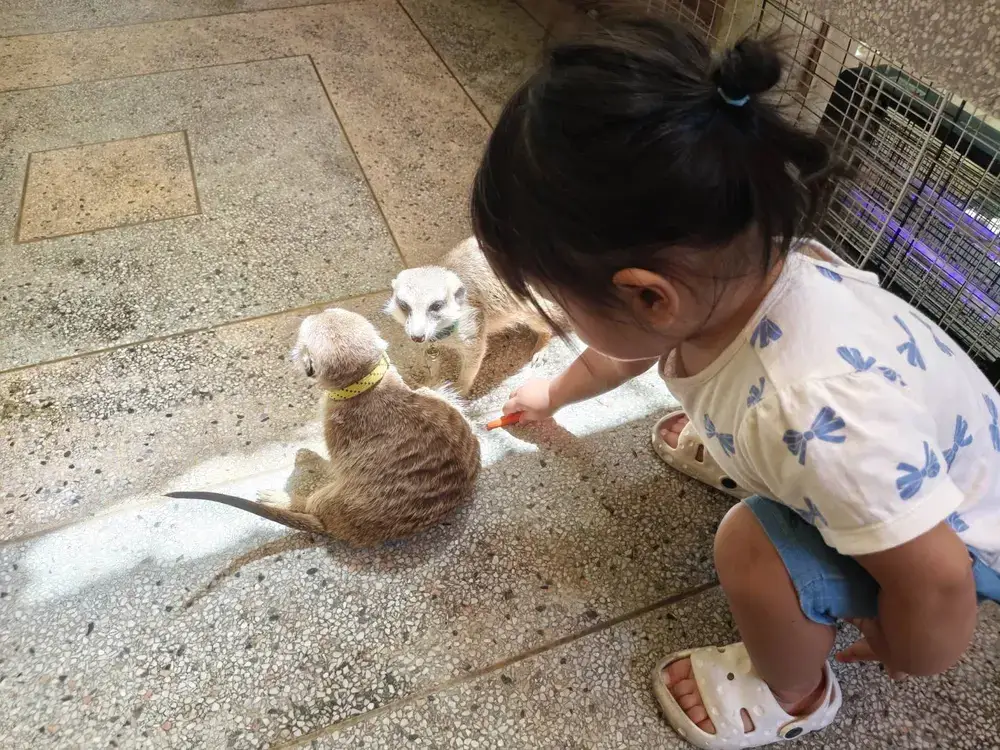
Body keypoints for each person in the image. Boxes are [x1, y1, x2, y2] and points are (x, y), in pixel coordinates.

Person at [470, 10, 1000, 750]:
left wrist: (911, 649)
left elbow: (936, 577)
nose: (562, 318)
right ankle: (765, 465)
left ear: (650, 297)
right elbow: (629, 350)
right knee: (775, 443)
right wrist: (553, 393)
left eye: (562, 303)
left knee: (750, 548)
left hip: (962, 542)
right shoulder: (740, 274)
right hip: (907, 457)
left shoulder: (806, 407)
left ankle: (794, 691)